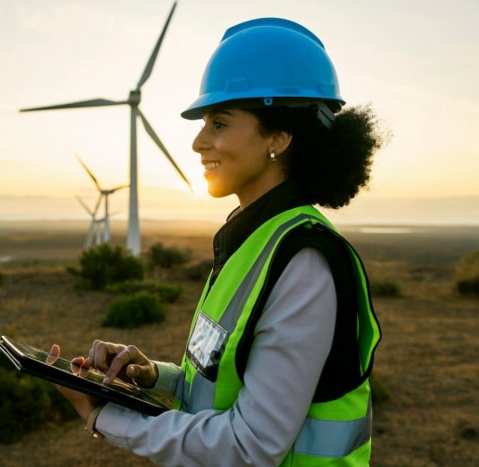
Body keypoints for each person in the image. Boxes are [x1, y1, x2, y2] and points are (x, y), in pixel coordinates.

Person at [49, 17, 383, 466]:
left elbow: (251, 446)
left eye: (219, 123)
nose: (198, 142)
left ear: (279, 137)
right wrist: (153, 377)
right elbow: (223, 384)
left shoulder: (302, 260)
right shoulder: (253, 239)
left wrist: (108, 418)